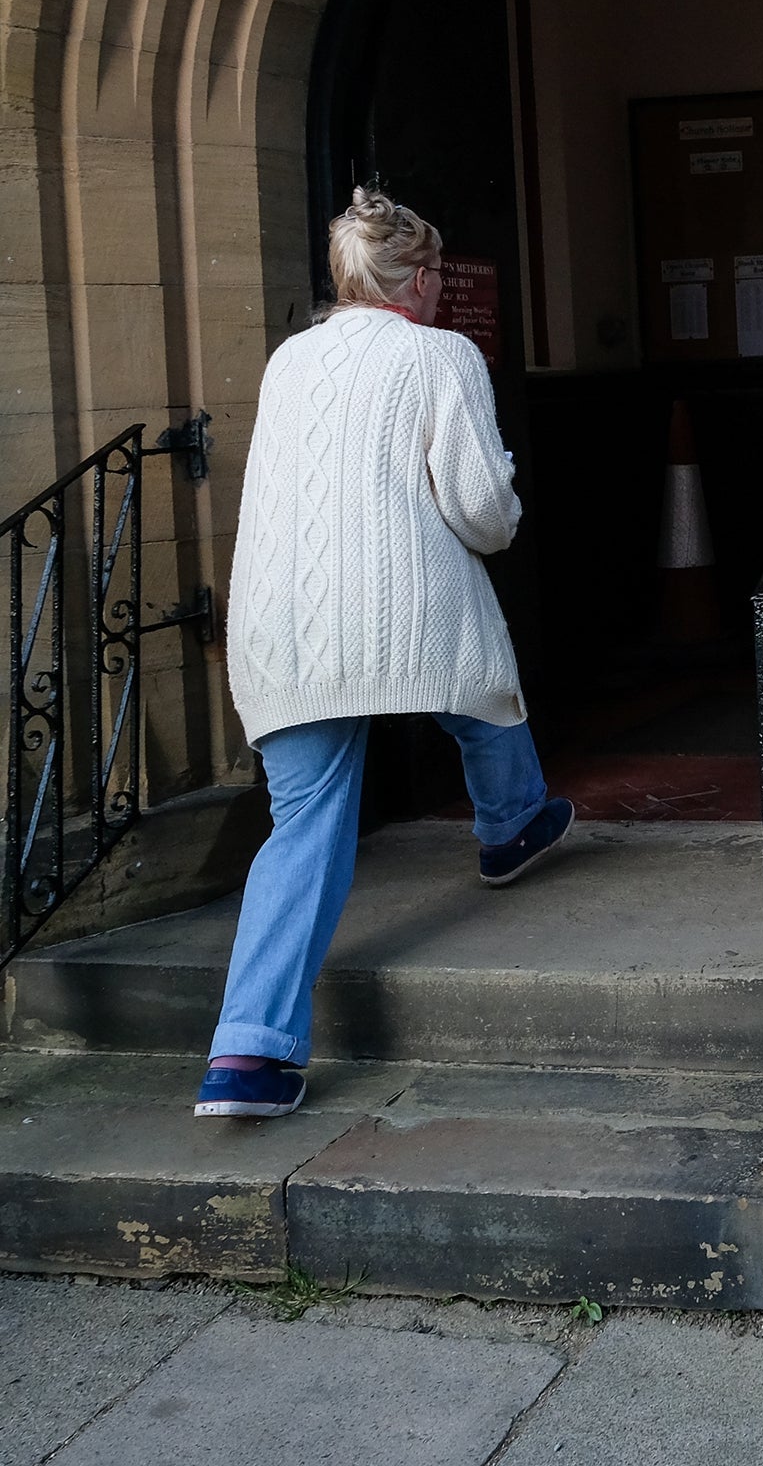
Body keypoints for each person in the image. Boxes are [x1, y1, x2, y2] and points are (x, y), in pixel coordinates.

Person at [194, 186, 573, 1120]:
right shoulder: (441, 354)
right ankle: (512, 822)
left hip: (279, 620)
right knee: (480, 677)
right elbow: (482, 509)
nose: (443, 286)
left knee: (304, 827)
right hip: (400, 608)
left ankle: (245, 1055)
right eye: (437, 269)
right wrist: (502, 520)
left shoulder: (290, 360)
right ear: (417, 277)